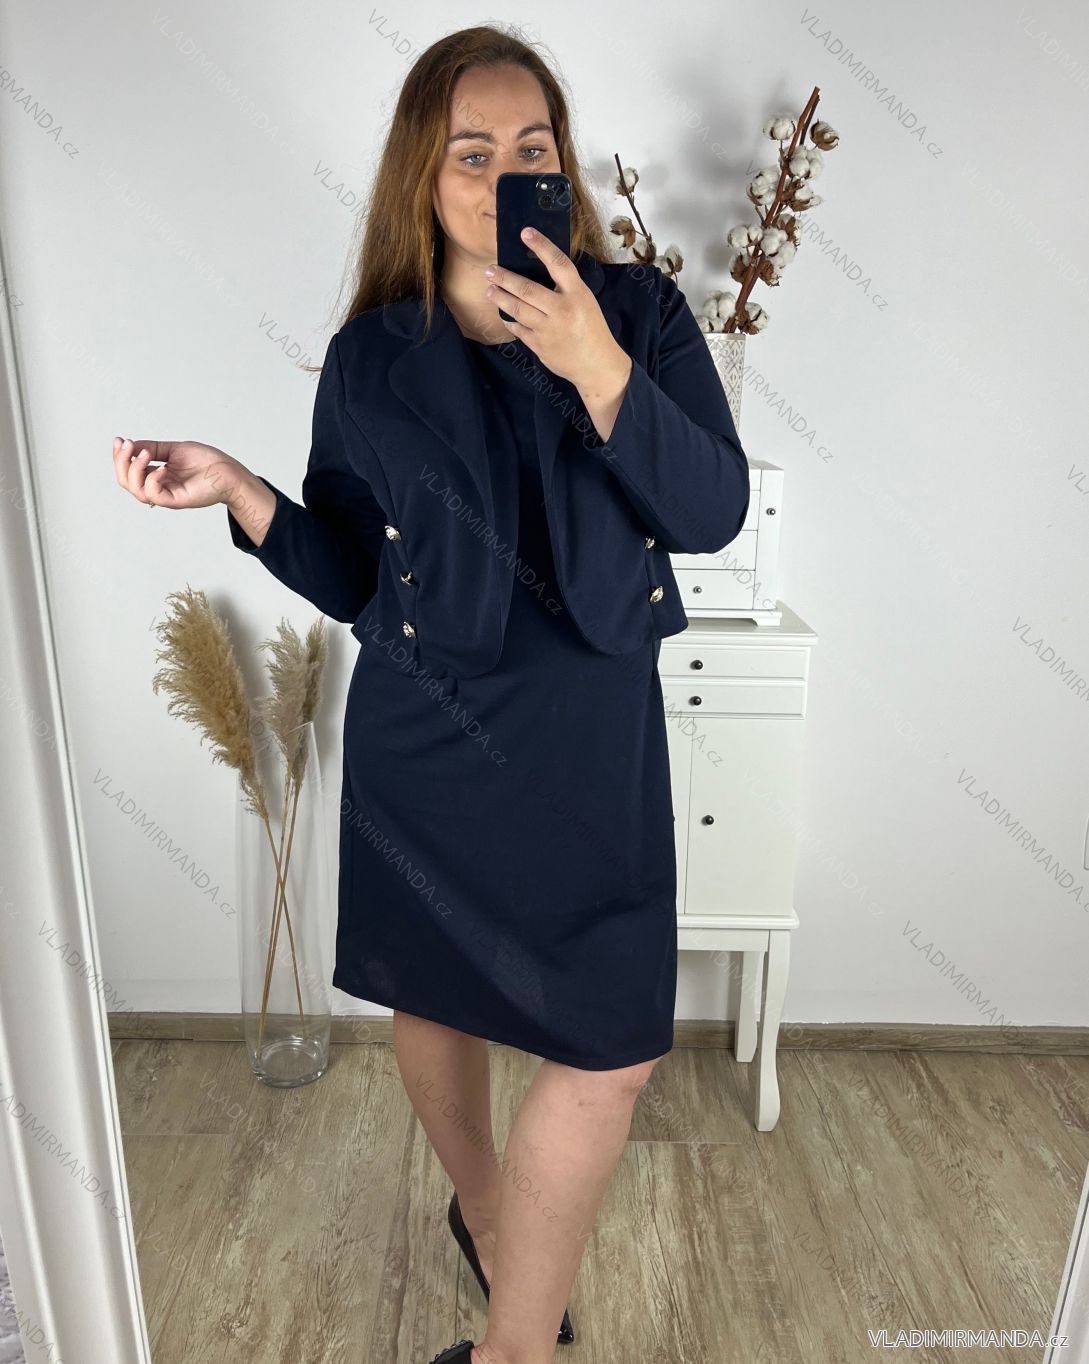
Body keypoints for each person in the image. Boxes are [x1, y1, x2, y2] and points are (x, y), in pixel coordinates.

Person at [111, 24, 749, 1364]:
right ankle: (488, 1214)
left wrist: (592, 359)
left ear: (561, 163)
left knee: (613, 1055)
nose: (505, 174)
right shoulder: (371, 357)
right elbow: (357, 575)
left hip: (591, 739)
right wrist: (243, 495)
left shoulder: (635, 314)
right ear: (423, 170)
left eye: (532, 147)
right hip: (429, 734)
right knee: (437, 995)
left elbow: (710, 513)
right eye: (472, 152)